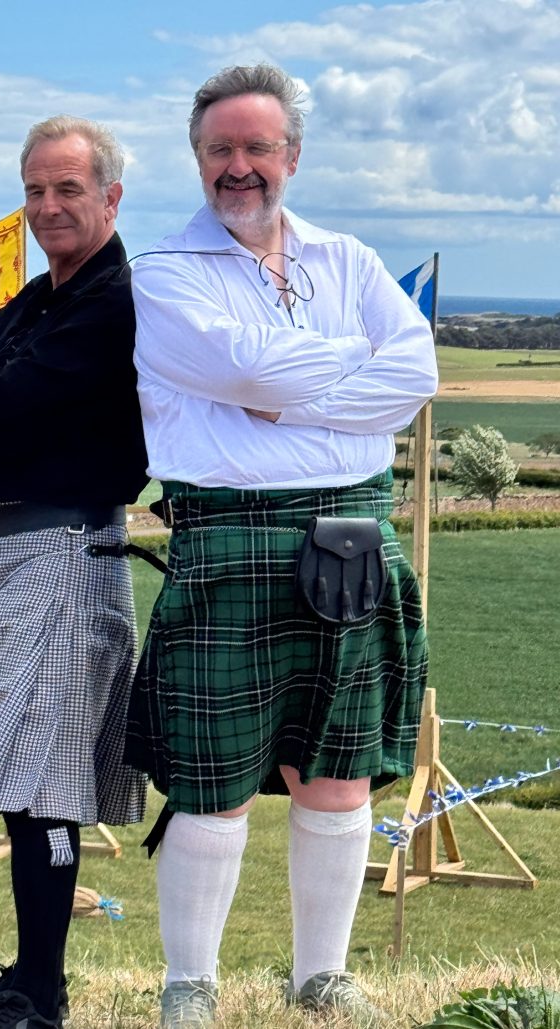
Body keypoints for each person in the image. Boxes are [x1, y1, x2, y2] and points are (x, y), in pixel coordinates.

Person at [124, 64, 438, 1028]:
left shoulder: (349, 258)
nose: (239, 166)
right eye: (219, 148)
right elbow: (239, 365)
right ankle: (190, 982)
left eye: (257, 147)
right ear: (197, 159)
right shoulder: (164, 273)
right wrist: (344, 372)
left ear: (291, 155)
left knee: (339, 773)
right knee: (211, 778)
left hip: (353, 535)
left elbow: (414, 373)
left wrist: (280, 396)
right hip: (227, 538)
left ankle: (322, 977)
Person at [0, 115, 149, 1029]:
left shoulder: (112, 303)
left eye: (68, 188)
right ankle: (28, 980)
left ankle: (39, 996)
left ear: (111, 196)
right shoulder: (44, 297)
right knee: (28, 779)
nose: (48, 206)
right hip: (14, 556)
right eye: (34, 190)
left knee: (42, 782)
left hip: (63, 553)